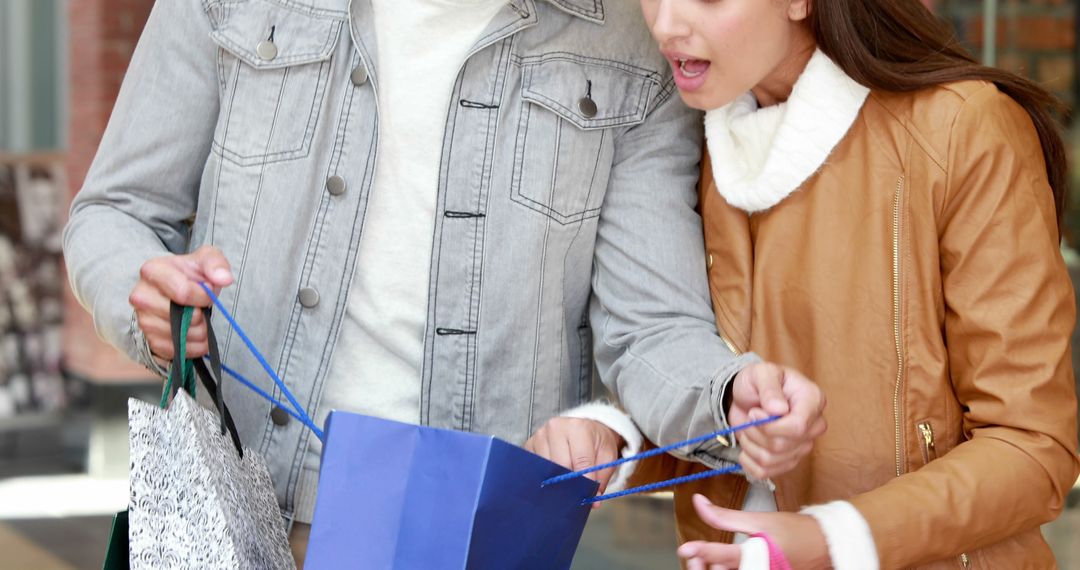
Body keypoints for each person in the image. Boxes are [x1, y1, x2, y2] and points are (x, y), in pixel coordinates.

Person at [63, 0, 826, 564]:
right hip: (231, 512)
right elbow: (114, 212)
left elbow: (651, 326)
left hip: (469, 534)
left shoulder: (629, 43)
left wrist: (730, 396)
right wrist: (145, 290)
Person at [620, 0, 1080, 568]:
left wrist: (833, 539)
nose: (666, 24)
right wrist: (612, 442)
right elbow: (708, 401)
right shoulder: (690, 150)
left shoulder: (964, 128)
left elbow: (1034, 449)